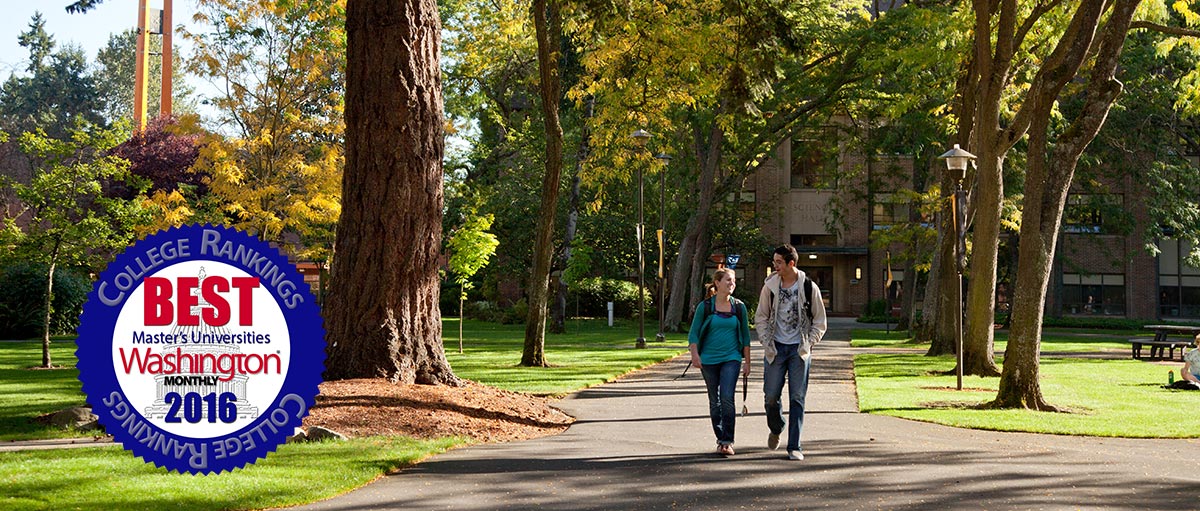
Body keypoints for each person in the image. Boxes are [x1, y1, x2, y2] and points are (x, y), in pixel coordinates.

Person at [755, 245, 827, 460]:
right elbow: (761, 316)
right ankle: (777, 427)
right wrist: (767, 342)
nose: (774, 265)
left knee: (797, 397)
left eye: (778, 262)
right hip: (775, 348)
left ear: (790, 263)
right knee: (770, 397)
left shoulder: (808, 287)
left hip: (798, 350)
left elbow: (820, 321)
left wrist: (808, 344)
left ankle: (794, 446)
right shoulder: (770, 287)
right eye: (774, 261)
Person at [688, 268, 751, 456]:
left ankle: (727, 441)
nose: (732, 284)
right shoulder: (705, 307)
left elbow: (746, 338)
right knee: (714, 401)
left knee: (727, 397)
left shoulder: (739, 307)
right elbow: (694, 333)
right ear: (717, 283)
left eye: (734, 281)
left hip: (731, 358)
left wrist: (747, 362)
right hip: (708, 359)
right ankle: (720, 436)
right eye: (728, 280)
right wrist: (694, 355)